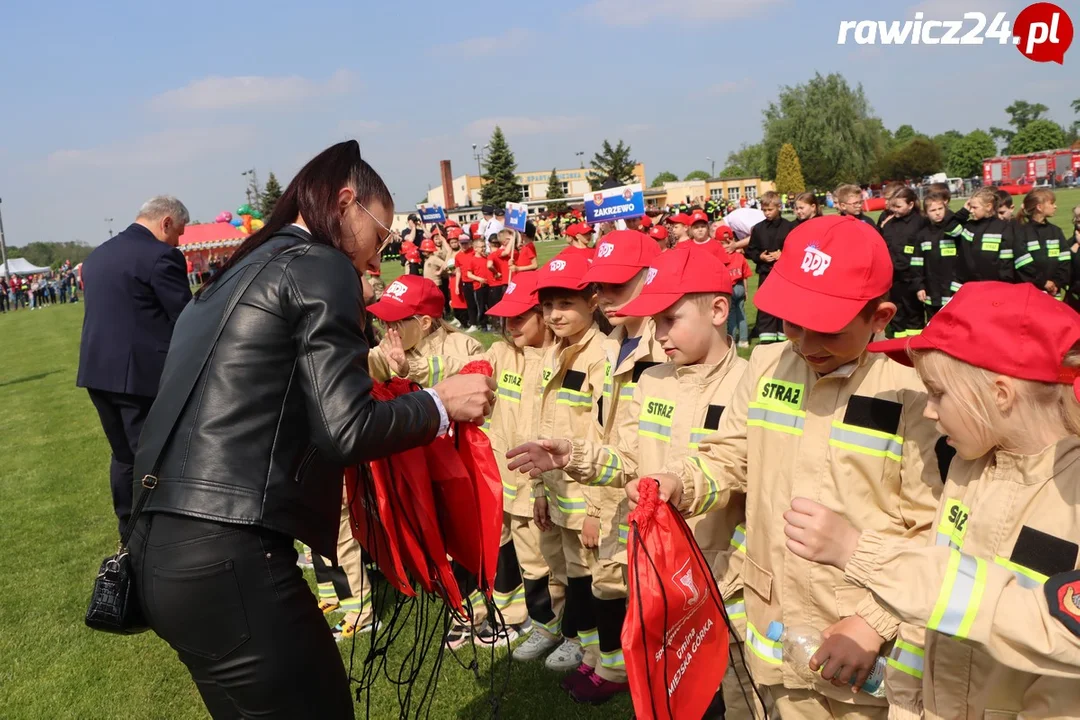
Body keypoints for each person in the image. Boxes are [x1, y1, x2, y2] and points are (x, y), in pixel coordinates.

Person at [126, 141, 494, 719]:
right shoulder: (318, 263)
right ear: (346, 202)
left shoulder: (236, 271)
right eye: (381, 236)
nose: (379, 261)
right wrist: (439, 403)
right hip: (232, 556)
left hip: (161, 554)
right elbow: (345, 429)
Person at [634, 216, 945, 719]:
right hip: (772, 623)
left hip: (855, 640)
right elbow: (732, 454)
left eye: (828, 330)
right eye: (791, 322)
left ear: (881, 317)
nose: (805, 342)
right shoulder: (768, 364)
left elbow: (930, 530)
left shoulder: (910, 393)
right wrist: (680, 481)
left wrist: (871, 622)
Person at [785, 281, 1080, 719]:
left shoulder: (1070, 496)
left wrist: (859, 552)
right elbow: (941, 599)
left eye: (938, 393)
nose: (928, 410)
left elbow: (1055, 630)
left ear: (999, 394)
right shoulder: (970, 465)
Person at [509, 244, 760, 715]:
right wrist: (573, 455)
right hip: (659, 576)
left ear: (720, 310)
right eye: (655, 322)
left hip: (724, 582)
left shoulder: (751, 385)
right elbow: (626, 460)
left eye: (670, 320)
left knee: (734, 697)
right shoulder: (654, 381)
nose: (659, 334)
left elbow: (747, 478)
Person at [76, 196, 193, 536]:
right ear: (166, 222)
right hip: (140, 377)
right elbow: (185, 318)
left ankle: (129, 527)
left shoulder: (98, 255)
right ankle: (155, 531)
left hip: (97, 373)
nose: (179, 242)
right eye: (179, 233)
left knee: (124, 456)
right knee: (152, 454)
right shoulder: (160, 256)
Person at [526, 252, 612, 683]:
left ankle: (596, 652)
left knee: (591, 577)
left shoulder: (603, 356)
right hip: (556, 492)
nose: (554, 315)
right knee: (564, 570)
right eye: (547, 305)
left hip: (586, 496)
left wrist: (597, 509)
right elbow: (542, 426)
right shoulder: (551, 352)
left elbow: (605, 438)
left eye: (565, 304)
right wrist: (539, 490)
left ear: (592, 301)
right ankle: (577, 638)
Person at [366, 275, 482, 383]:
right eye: (384, 321)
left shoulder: (466, 346)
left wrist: (409, 369)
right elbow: (359, 362)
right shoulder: (388, 347)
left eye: (395, 322)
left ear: (425, 322)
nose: (388, 330)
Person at [746, 191, 794, 344]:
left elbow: (796, 249)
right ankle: (766, 338)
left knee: (784, 305)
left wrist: (783, 254)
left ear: (779, 207)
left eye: (770, 210)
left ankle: (784, 335)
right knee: (766, 305)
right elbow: (750, 250)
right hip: (765, 274)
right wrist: (760, 256)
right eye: (764, 210)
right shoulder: (758, 228)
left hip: (784, 275)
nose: (767, 213)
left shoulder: (789, 226)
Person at [880, 187, 927, 338]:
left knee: (914, 312)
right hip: (894, 277)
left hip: (913, 276)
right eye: (893, 206)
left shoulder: (921, 222)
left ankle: (915, 342)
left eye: (899, 206)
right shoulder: (889, 223)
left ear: (911, 205)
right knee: (897, 313)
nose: (894, 210)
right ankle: (899, 342)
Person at [951, 187, 1018, 287]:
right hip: (965, 285)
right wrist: (964, 211)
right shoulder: (968, 226)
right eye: (970, 207)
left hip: (992, 287)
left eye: (975, 207)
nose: (971, 211)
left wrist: (1004, 285)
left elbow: (1006, 262)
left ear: (988, 206)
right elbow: (950, 229)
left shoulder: (1003, 228)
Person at [1014, 188, 1069, 297]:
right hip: (1031, 292)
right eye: (1052, 203)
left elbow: (1065, 260)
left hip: (1054, 291)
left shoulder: (1056, 231)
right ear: (1039, 207)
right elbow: (1023, 263)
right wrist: (1043, 282)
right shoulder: (1022, 232)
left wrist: (1057, 283)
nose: (1055, 206)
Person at [915, 189, 961, 319]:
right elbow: (917, 265)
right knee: (934, 322)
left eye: (940, 208)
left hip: (953, 287)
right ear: (925, 213)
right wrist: (920, 286)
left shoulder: (954, 232)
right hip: (931, 289)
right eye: (933, 210)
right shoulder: (922, 236)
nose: (938, 213)